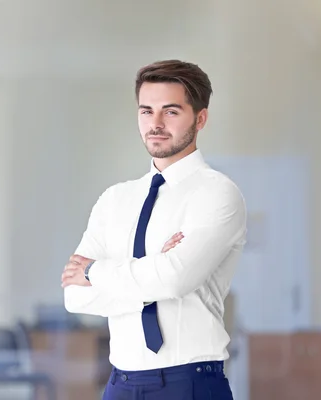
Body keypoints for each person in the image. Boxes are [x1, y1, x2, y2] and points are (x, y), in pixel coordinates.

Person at [61, 60, 246, 400]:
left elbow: (174, 279)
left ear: (200, 118)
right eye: (146, 111)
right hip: (119, 384)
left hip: (188, 382)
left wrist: (93, 271)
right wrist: (151, 274)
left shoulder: (217, 193)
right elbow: (74, 297)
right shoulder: (114, 199)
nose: (155, 124)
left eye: (171, 112)